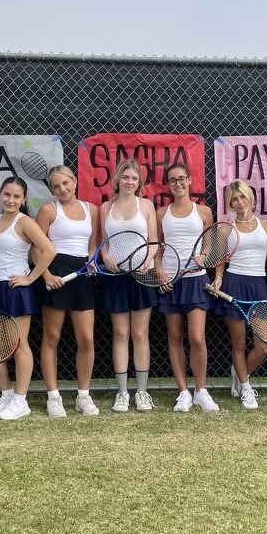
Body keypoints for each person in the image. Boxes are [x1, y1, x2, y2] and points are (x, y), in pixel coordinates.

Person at [0, 177, 56, 421]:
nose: (10, 200)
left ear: (24, 200)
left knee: (19, 345)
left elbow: (48, 250)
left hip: (17, 288)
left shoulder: (24, 222)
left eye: (16, 196)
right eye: (7, 194)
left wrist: (31, 278)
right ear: (0, 195)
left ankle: (21, 401)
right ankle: (7, 394)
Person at [212, 181, 267, 410]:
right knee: (239, 342)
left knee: (263, 346)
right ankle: (245, 388)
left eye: (243, 197)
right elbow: (221, 259)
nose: (240, 202)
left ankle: (239, 370)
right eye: (234, 199)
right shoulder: (225, 228)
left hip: (258, 286)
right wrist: (218, 279)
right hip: (234, 284)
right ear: (230, 203)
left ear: (251, 198)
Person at [37, 165, 101, 417]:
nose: (62, 189)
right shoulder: (48, 210)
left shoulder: (91, 209)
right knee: (51, 338)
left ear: (74, 181)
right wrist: (46, 275)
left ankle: (83, 395)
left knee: (86, 339)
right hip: (55, 272)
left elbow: (93, 243)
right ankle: (53, 396)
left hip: (82, 275)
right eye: (55, 186)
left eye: (65, 183)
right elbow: (36, 247)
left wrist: (92, 259)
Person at [157, 162, 219, 413]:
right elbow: (158, 248)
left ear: (190, 180)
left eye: (182, 178)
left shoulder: (204, 211)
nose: (178, 184)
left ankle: (200, 390)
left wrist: (203, 256)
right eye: (172, 180)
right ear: (168, 185)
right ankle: (183, 392)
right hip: (171, 281)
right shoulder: (162, 213)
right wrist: (160, 272)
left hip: (196, 280)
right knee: (174, 337)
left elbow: (209, 245)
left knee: (197, 337)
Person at [100, 160, 159, 413]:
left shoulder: (146, 205)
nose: (130, 182)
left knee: (140, 335)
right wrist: (106, 258)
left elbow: (154, 241)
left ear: (139, 183)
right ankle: (123, 393)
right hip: (116, 277)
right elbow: (102, 243)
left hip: (142, 276)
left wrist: (148, 260)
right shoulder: (105, 207)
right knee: (121, 335)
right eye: (126, 177)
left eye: (135, 178)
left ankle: (142, 393)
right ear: (118, 179)